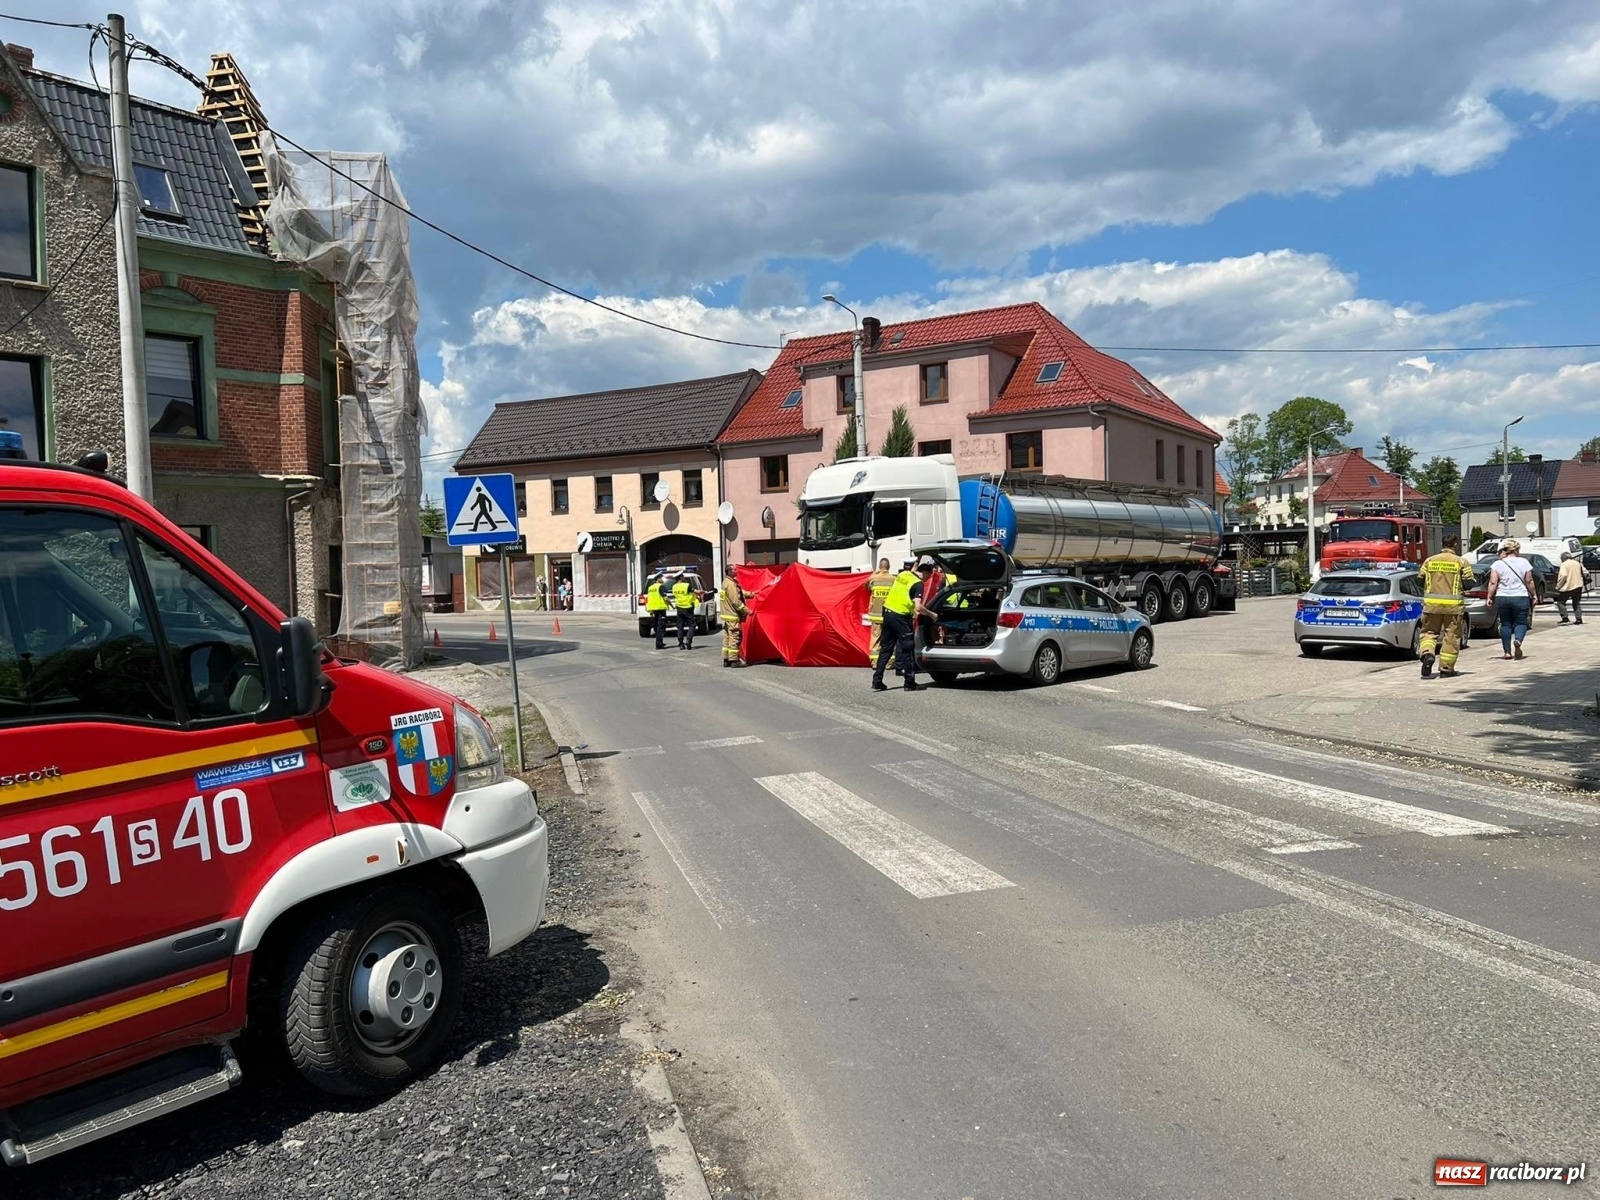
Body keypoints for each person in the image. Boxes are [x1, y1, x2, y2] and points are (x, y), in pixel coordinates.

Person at [1417, 533, 1474, 679]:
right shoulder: (1461, 562)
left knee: (1428, 633)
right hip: (1453, 608)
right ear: (1455, 544)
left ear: (1442, 544)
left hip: (1431, 606)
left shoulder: (1429, 561)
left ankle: (1427, 653)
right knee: (1451, 636)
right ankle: (1446, 668)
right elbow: (1468, 583)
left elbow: (1419, 580)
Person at [872, 557, 934, 692]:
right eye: (928, 577)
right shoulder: (918, 583)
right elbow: (918, 607)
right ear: (925, 572)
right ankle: (909, 683)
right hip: (900, 617)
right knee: (908, 649)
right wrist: (931, 614)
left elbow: (912, 569)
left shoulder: (902, 574)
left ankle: (877, 680)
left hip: (887, 613)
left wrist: (918, 557)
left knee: (886, 649)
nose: (927, 580)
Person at [1487, 539, 1537, 660]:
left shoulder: (1497, 564)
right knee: (1521, 622)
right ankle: (1518, 640)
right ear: (1516, 550)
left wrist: (1489, 596)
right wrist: (1534, 594)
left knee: (1505, 624)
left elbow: (1493, 582)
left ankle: (1507, 652)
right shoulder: (1524, 562)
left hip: (1502, 597)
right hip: (1520, 596)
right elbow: (1529, 581)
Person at [864, 557, 893, 666]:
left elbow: (866, 586)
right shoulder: (893, 580)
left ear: (880, 567)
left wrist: (874, 573)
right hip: (890, 615)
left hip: (876, 616)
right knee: (890, 639)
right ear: (889, 567)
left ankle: (875, 662)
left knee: (875, 639)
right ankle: (890, 662)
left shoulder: (873, 579)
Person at [719, 565, 750, 667]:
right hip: (732, 615)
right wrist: (747, 611)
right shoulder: (731, 584)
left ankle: (726, 659)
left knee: (728, 638)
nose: (736, 571)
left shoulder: (726, 582)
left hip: (727, 615)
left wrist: (752, 594)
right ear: (729, 572)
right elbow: (736, 602)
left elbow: (739, 593)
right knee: (734, 638)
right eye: (734, 569)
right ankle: (734, 661)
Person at [671, 572, 702, 649]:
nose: (684, 577)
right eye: (683, 576)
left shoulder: (674, 587)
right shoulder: (686, 585)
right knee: (692, 625)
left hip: (679, 608)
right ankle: (689, 640)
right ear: (680, 578)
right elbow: (696, 592)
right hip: (688, 608)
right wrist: (703, 592)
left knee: (680, 626)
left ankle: (681, 644)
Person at [1554, 551, 1585, 625]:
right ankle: (1579, 619)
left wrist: (1558, 586)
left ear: (1563, 558)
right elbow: (1585, 572)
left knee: (1560, 602)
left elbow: (1563, 575)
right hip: (1578, 585)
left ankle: (1565, 618)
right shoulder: (1577, 563)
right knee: (1576, 603)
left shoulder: (1564, 564)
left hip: (1568, 586)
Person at [645, 574, 670, 648]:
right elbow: (665, 598)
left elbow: (650, 599)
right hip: (661, 608)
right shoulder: (661, 586)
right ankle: (659, 644)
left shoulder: (650, 588)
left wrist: (651, 611)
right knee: (661, 627)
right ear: (658, 579)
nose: (662, 579)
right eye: (661, 578)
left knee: (657, 627)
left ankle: (659, 642)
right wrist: (671, 605)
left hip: (654, 609)